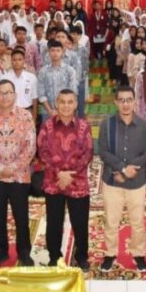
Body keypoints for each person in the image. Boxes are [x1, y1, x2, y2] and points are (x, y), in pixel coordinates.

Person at [0, 79, 36, 269]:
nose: (5, 96)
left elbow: (30, 145)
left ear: (15, 94)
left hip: (19, 176)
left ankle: (24, 252)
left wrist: (14, 167)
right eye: (1, 93)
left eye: (8, 92)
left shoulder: (25, 116)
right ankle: (1, 252)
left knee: (21, 215)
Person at [97, 85, 146, 272]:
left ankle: (138, 254)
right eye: (122, 100)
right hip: (113, 181)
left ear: (135, 101)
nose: (126, 104)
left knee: (137, 222)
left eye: (129, 100)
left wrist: (131, 169)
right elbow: (103, 151)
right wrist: (121, 168)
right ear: (116, 102)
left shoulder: (144, 126)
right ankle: (110, 254)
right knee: (111, 221)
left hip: (136, 183)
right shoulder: (107, 124)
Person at [37, 88, 93, 271]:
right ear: (56, 103)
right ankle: (54, 256)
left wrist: (70, 175)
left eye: (70, 102)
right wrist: (59, 174)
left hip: (78, 183)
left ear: (76, 104)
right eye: (62, 102)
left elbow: (88, 154)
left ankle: (82, 256)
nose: (66, 106)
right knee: (53, 221)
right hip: (54, 182)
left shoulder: (84, 126)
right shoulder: (47, 126)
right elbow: (42, 152)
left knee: (80, 222)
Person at [37, 39, 78, 121]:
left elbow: (73, 92)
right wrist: (50, 111)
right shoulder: (43, 71)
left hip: (67, 111)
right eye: (52, 50)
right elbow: (41, 94)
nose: (55, 53)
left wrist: (63, 110)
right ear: (48, 52)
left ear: (62, 52)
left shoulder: (70, 70)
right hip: (47, 112)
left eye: (58, 50)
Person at [4, 49, 38, 122]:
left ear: (24, 61)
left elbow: (34, 99)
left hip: (28, 112)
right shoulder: (4, 78)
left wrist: (34, 119)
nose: (17, 62)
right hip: (10, 113)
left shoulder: (32, 77)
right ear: (11, 61)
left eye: (20, 59)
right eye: (14, 60)